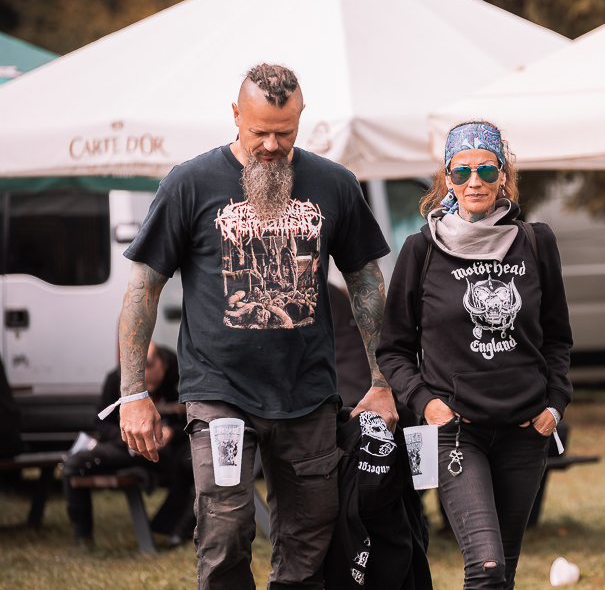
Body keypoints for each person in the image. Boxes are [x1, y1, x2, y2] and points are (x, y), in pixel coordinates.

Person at [116, 64, 396, 589]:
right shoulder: (190, 183)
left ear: (301, 118)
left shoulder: (334, 184)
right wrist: (133, 392)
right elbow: (143, 288)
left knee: (311, 538)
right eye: (259, 131)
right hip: (219, 392)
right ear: (235, 115)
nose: (271, 145)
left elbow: (366, 283)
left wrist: (382, 381)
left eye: (284, 133)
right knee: (224, 531)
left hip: (308, 394)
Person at [377, 121, 573, 590]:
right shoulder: (422, 250)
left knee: (504, 571)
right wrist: (428, 405)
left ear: (503, 174)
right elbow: (394, 348)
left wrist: (554, 406)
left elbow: (557, 338)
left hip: (525, 432)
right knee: (486, 568)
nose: (474, 182)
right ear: (447, 179)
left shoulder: (535, 241)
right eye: (461, 171)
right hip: (457, 432)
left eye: (486, 169)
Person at [63, 343, 193, 546]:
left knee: (198, 463)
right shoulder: (116, 379)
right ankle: (83, 541)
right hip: (128, 449)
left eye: (153, 381)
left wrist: (172, 433)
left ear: (163, 365)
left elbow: (194, 419)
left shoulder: (182, 374)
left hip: (169, 451)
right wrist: (128, 439)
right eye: (142, 383)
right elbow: (102, 423)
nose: (149, 387)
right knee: (74, 464)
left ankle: (180, 531)